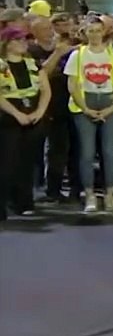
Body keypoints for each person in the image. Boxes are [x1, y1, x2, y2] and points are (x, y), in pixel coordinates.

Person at [64, 17, 113, 216]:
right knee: (87, 152)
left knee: (109, 151)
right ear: (85, 33)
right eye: (90, 30)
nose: (94, 34)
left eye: (97, 30)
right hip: (85, 103)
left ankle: (109, 192)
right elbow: (72, 85)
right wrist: (86, 109)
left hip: (110, 103)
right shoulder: (78, 55)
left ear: (103, 32)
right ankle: (90, 194)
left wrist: (111, 108)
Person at [0, 27, 51, 219]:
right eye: (18, 40)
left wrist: (39, 111)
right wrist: (16, 114)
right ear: (7, 43)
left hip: (33, 115)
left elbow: (45, 90)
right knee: (7, 162)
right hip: (8, 117)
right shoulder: (1, 65)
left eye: (24, 40)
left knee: (27, 162)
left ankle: (24, 202)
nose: (23, 43)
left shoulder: (34, 64)